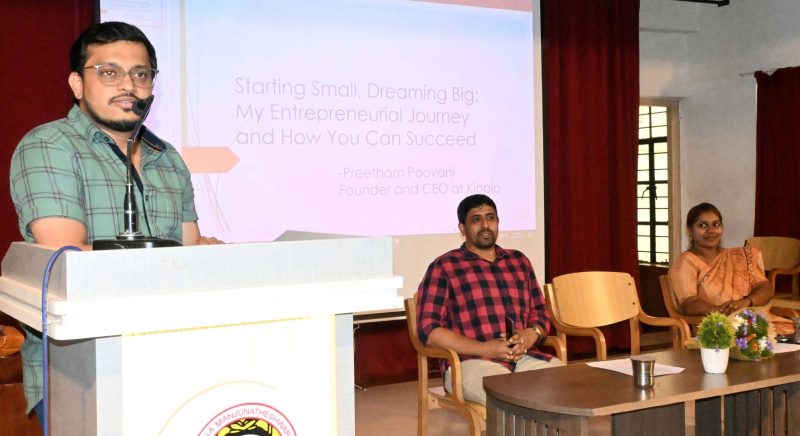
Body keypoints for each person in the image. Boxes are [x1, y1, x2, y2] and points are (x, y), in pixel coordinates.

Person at [9, 21, 221, 423]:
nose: (128, 85)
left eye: (140, 74)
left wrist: (209, 255)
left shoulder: (167, 157)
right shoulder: (49, 145)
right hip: (83, 367)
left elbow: (191, 246)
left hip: (176, 352)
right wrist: (177, 257)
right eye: (109, 72)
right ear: (77, 84)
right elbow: (66, 262)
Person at [416, 194, 562, 405]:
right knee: (510, 398)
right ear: (462, 228)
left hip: (524, 357)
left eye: (490, 218)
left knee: (566, 388)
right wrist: (486, 348)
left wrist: (531, 334)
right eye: (476, 219)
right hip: (471, 362)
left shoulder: (519, 261)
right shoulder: (445, 266)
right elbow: (429, 330)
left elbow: (540, 312)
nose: (485, 225)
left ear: (498, 222)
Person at [669, 202, 793, 335]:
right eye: (702, 225)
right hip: (716, 326)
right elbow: (689, 303)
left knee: (792, 331)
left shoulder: (740, 256)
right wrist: (726, 312)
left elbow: (764, 287)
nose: (711, 231)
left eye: (716, 224)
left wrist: (746, 302)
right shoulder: (686, 261)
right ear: (690, 230)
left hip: (751, 319)